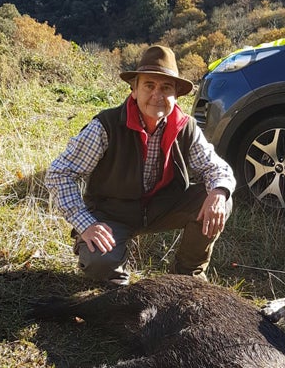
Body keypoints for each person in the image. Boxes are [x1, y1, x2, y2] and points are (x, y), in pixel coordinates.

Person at [45, 44, 236, 285]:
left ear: (176, 95)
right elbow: (59, 173)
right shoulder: (106, 126)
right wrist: (86, 224)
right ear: (134, 90)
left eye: (166, 87)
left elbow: (217, 168)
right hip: (112, 213)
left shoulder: (185, 127)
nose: (157, 94)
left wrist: (218, 193)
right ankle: (118, 285)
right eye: (149, 85)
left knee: (221, 198)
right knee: (99, 263)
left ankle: (187, 276)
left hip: (162, 208)